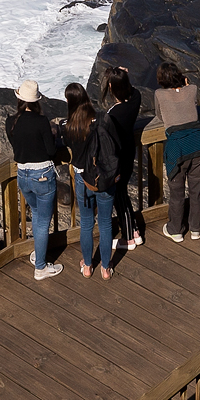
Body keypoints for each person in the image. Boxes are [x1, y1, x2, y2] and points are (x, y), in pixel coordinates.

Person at [5, 80, 68, 280]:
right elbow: (50, 151)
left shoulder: (10, 122)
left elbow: (17, 146)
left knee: (37, 215)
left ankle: (38, 254)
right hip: (42, 176)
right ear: (37, 101)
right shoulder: (41, 122)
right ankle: (40, 267)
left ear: (19, 99)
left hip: (23, 176)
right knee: (42, 222)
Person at [153, 61, 200, 241]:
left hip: (177, 148)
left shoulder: (159, 94)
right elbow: (190, 86)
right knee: (196, 190)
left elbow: (159, 115)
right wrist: (184, 83)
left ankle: (176, 230)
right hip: (197, 145)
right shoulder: (191, 89)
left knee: (177, 193)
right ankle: (196, 229)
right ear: (180, 76)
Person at [66, 97, 121, 279]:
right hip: (106, 178)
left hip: (85, 179)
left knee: (87, 223)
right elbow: (117, 146)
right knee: (105, 223)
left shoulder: (74, 128)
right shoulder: (104, 120)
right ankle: (106, 268)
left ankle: (88, 266)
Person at [103, 67, 146, 250]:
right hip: (129, 152)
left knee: (119, 195)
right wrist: (123, 76)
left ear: (111, 87)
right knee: (122, 193)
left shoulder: (112, 115)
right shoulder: (135, 99)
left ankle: (129, 237)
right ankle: (133, 231)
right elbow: (133, 90)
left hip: (117, 158)